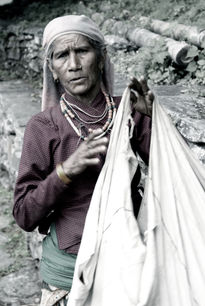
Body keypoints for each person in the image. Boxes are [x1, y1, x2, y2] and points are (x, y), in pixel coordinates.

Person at [13, 15, 154, 305]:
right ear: (52, 70)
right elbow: (25, 214)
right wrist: (65, 172)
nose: (74, 64)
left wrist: (153, 120)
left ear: (101, 59)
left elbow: (168, 173)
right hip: (70, 269)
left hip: (129, 258)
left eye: (83, 51)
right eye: (62, 55)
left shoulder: (129, 110)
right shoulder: (43, 127)